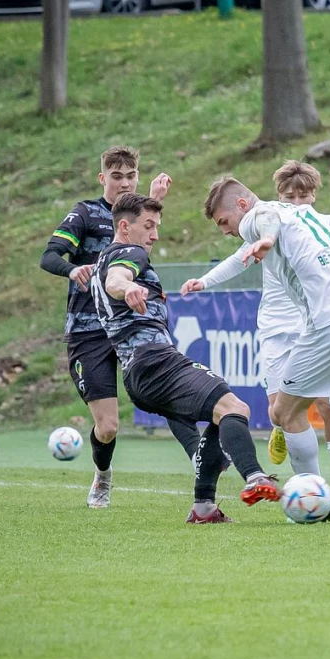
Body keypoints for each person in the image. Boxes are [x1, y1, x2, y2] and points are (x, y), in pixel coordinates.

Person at [181, 163, 330, 498]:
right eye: (289, 195)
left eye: (223, 221)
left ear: (241, 205)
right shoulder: (300, 217)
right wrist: (205, 281)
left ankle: (317, 492)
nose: (225, 230)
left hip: (323, 323)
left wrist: (266, 239)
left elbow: (265, 220)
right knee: (315, 397)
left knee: (290, 409)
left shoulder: (263, 217)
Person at [92, 193, 279, 524]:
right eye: (148, 226)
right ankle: (255, 477)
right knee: (235, 408)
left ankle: (204, 508)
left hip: (139, 373)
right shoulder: (130, 253)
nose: (154, 235)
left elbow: (112, 275)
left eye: (157, 226)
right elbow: (117, 279)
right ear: (124, 227)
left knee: (222, 417)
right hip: (156, 362)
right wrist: (127, 288)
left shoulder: (105, 257)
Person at [39, 146, 204, 509]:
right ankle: (103, 475)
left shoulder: (138, 214)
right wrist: (72, 269)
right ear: (103, 178)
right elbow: (49, 256)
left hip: (132, 325)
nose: (125, 183)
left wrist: (155, 203)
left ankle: (201, 460)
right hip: (89, 330)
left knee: (167, 393)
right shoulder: (86, 213)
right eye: (117, 177)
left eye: (131, 177)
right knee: (108, 426)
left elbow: (140, 249)